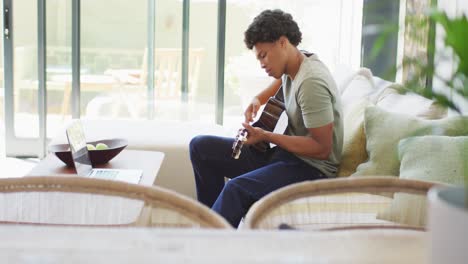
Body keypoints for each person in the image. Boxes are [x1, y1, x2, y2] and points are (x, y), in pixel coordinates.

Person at [189, 9, 343, 228]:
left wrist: (265, 135)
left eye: (263, 55)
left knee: (236, 189)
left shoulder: (311, 83)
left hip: (311, 169)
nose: (261, 63)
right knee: (200, 147)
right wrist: (257, 100)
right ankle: (210, 226)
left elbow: (322, 148)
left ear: (282, 43)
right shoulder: (298, 61)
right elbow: (279, 84)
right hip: (286, 156)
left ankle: (204, 247)